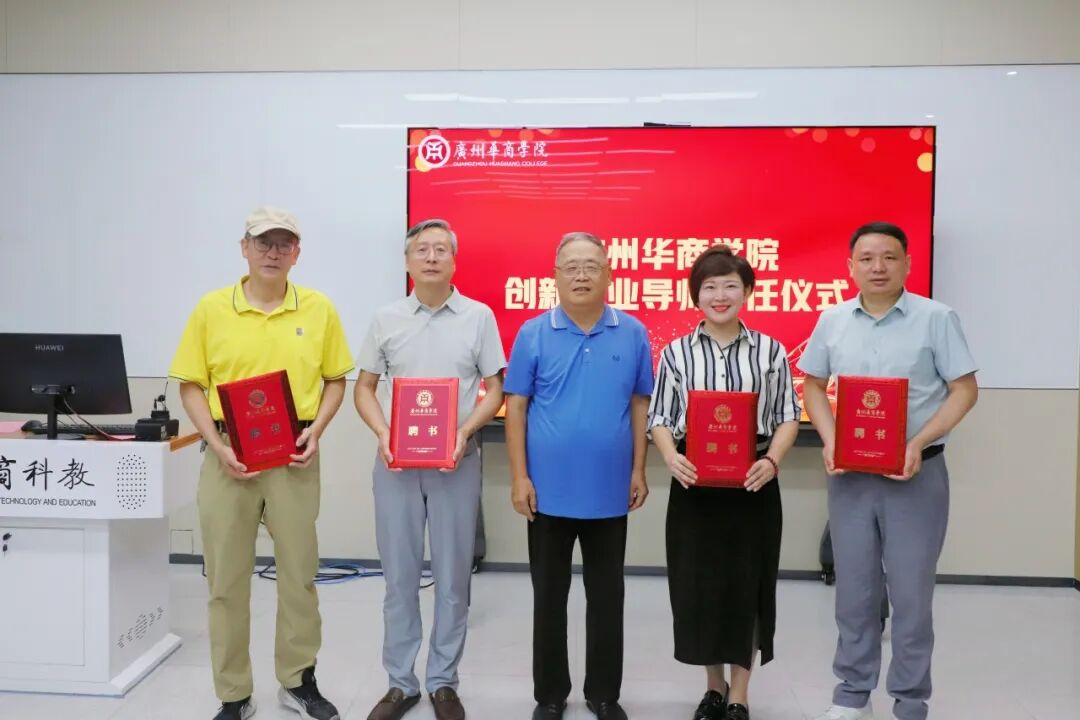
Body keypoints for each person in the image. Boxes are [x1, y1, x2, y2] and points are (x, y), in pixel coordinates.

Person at [170, 206, 353, 720]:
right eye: (262, 242)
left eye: (283, 243)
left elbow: (336, 379)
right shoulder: (211, 309)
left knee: (299, 575)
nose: (273, 252)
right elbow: (191, 385)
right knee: (225, 581)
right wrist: (217, 445)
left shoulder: (318, 309)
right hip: (228, 456)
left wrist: (317, 431)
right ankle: (233, 693)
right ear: (244, 248)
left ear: (297, 253)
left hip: (294, 455)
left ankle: (298, 681)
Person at [800, 222, 978, 720]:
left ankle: (910, 699)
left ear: (907, 263)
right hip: (850, 479)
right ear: (850, 266)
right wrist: (830, 440)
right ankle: (851, 694)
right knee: (854, 591)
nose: (878, 267)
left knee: (911, 595)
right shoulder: (832, 319)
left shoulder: (937, 318)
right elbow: (812, 385)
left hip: (917, 477)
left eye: (889, 257)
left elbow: (965, 390)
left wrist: (917, 443)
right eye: (867, 258)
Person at [354, 219, 506, 720]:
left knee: (453, 579)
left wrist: (466, 431)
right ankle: (400, 683)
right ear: (407, 261)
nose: (432, 257)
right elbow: (364, 388)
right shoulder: (386, 318)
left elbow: (496, 390)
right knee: (399, 579)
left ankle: (443, 682)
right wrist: (382, 432)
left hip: (455, 463)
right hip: (395, 464)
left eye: (442, 249)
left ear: (454, 261)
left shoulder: (479, 317)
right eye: (422, 250)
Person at [504, 231, 654, 720]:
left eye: (592, 265)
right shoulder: (533, 332)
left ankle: (603, 694)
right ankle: (550, 695)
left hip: (610, 491)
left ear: (609, 273)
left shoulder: (632, 332)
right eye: (571, 266)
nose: (582, 275)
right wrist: (519, 477)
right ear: (555, 275)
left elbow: (640, 404)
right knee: (549, 597)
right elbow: (516, 407)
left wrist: (639, 469)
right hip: (546, 493)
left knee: (607, 597)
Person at [648, 245, 801, 720]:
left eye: (731, 285)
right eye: (709, 286)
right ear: (695, 295)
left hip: (754, 482)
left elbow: (787, 416)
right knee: (698, 587)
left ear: (748, 291)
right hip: (695, 483)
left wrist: (772, 461)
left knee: (747, 586)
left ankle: (740, 693)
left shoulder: (770, 351)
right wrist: (671, 456)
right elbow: (660, 418)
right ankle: (713, 687)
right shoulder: (675, 353)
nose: (720, 295)